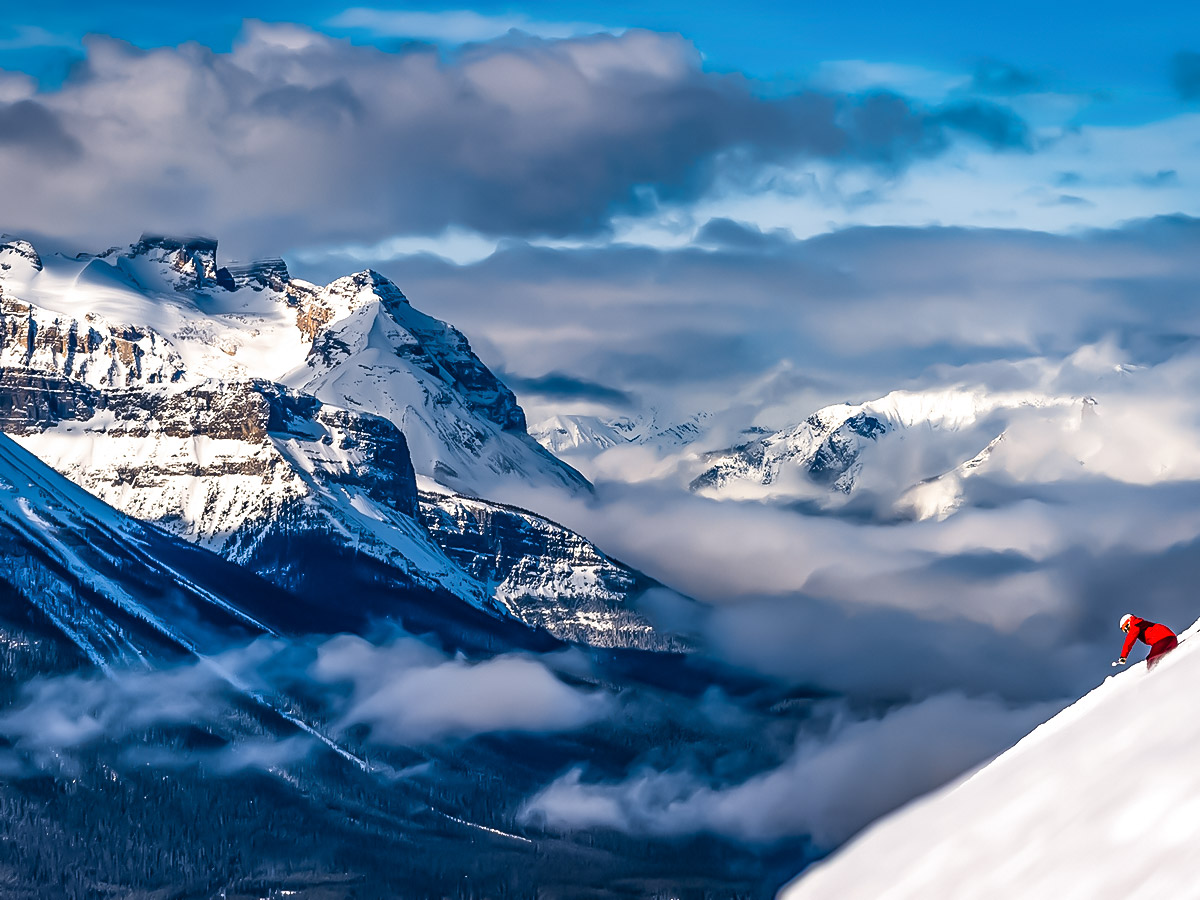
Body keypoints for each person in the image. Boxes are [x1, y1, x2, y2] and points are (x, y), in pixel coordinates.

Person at [1113, 614, 1178, 670]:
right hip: (1169, 640)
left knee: (1152, 660)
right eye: (1125, 630)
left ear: (1129, 621)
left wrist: (1123, 656)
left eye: (1126, 627)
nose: (1127, 630)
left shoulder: (1135, 623)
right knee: (1150, 658)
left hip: (1164, 639)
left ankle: (1153, 675)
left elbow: (1130, 639)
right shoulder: (1138, 625)